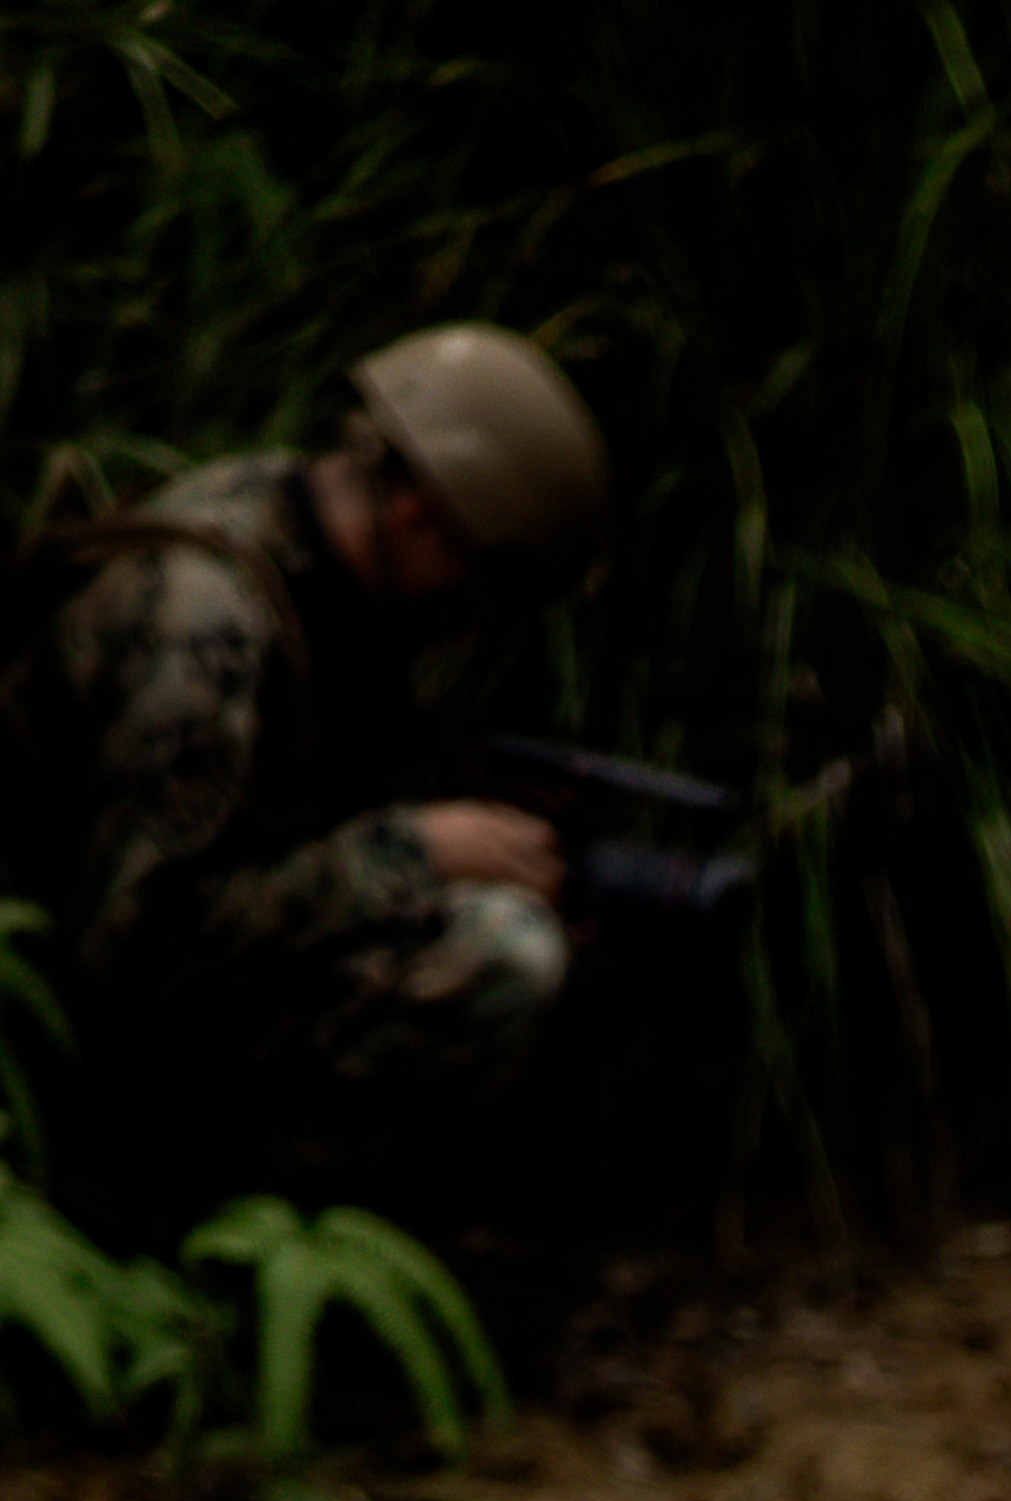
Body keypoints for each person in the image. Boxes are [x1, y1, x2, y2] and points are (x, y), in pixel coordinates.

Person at [21, 323, 610, 1202]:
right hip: (67, 1029)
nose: (480, 621)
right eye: (487, 586)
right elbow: (134, 948)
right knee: (500, 955)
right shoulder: (206, 624)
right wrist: (411, 855)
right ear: (421, 517)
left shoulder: (301, 540)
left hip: (173, 983)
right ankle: (231, 1229)